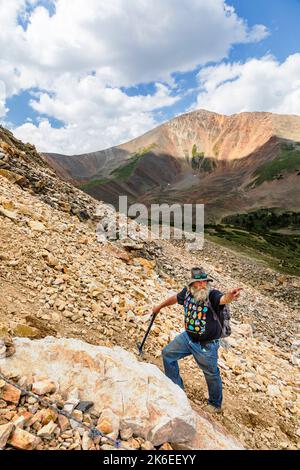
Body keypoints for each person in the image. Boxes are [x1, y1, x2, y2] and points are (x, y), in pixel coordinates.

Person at [152, 267, 242, 413]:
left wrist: (230, 296)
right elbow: (175, 298)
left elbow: (223, 299)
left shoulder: (212, 295)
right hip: (187, 337)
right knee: (168, 354)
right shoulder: (187, 293)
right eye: (198, 282)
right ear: (191, 284)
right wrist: (159, 307)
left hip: (206, 346)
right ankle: (176, 389)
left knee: (211, 374)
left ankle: (215, 404)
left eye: (204, 282)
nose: (201, 285)